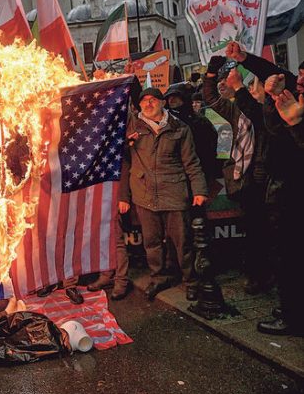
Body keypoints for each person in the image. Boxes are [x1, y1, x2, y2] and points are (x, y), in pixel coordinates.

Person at [227, 44, 304, 336]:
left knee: (290, 258)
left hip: (292, 194)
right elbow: (275, 73)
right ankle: (292, 307)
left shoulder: (294, 110)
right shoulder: (290, 98)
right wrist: (244, 59)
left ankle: (293, 317)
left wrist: (295, 123)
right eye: (299, 76)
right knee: (285, 256)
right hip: (281, 191)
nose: (298, 82)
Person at [119, 87, 208, 301]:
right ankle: (158, 278)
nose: (148, 104)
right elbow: (120, 157)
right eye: (144, 101)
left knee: (182, 242)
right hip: (144, 194)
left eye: (153, 100)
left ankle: (191, 281)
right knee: (152, 243)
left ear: (162, 103)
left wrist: (199, 190)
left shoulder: (179, 128)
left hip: (174, 192)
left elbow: (191, 162)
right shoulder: (132, 125)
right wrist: (126, 144)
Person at [203, 50, 272, 294]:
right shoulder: (236, 111)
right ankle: (256, 275)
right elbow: (211, 99)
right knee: (253, 230)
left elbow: (256, 115)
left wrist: (240, 87)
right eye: (250, 87)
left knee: (269, 232)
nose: (252, 90)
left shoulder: (273, 111)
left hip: (269, 181)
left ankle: (270, 274)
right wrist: (211, 74)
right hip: (246, 180)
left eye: (255, 86)